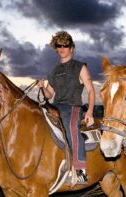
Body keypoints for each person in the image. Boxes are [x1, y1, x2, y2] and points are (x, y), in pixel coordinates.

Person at [37, 31, 95, 184]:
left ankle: (81, 169)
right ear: (56, 48)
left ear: (71, 48)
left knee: (70, 126)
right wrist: (43, 87)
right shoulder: (54, 71)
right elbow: (49, 95)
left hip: (73, 107)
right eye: (59, 45)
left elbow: (90, 90)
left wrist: (89, 111)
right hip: (56, 105)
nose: (62, 48)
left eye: (65, 45)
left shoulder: (80, 67)